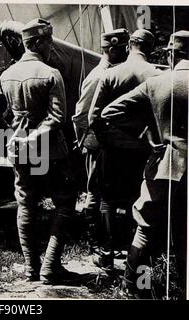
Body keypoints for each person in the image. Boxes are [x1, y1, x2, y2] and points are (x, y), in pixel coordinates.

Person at [0, 19, 78, 284]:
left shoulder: (6, 75)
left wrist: (16, 134)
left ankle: (30, 269)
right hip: (51, 152)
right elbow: (58, 117)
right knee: (65, 201)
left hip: (19, 152)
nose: (51, 47)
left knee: (25, 204)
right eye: (48, 41)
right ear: (38, 42)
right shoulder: (51, 73)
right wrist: (35, 136)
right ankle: (50, 267)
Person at [100, 30, 189, 298]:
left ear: (172, 54)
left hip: (166, 166)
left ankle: (136, 288)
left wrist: (146, 134)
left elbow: (109, 112)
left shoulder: (158, 83)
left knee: (146, 230)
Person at [88, 29, 163, 270]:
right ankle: (135, 253)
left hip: (112, 149)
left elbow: (93, 117)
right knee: (137, 199)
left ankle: (107, 253)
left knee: (108, 200)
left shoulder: (111, 74)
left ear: (129, 44)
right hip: (143, 149)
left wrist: (108, 139)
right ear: (150, 49)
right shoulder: (158, 75)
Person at [72, 29, 129, 252]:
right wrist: (88, 144)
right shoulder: (98, 76)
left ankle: (109, 240)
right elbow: (80, 115)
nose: (127, 53)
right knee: (96, 192)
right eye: (124, 49)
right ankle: (96, 240)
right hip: (98, 145)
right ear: (112, 49)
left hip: (108, 144)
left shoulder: (112, 73)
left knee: (108, 193)